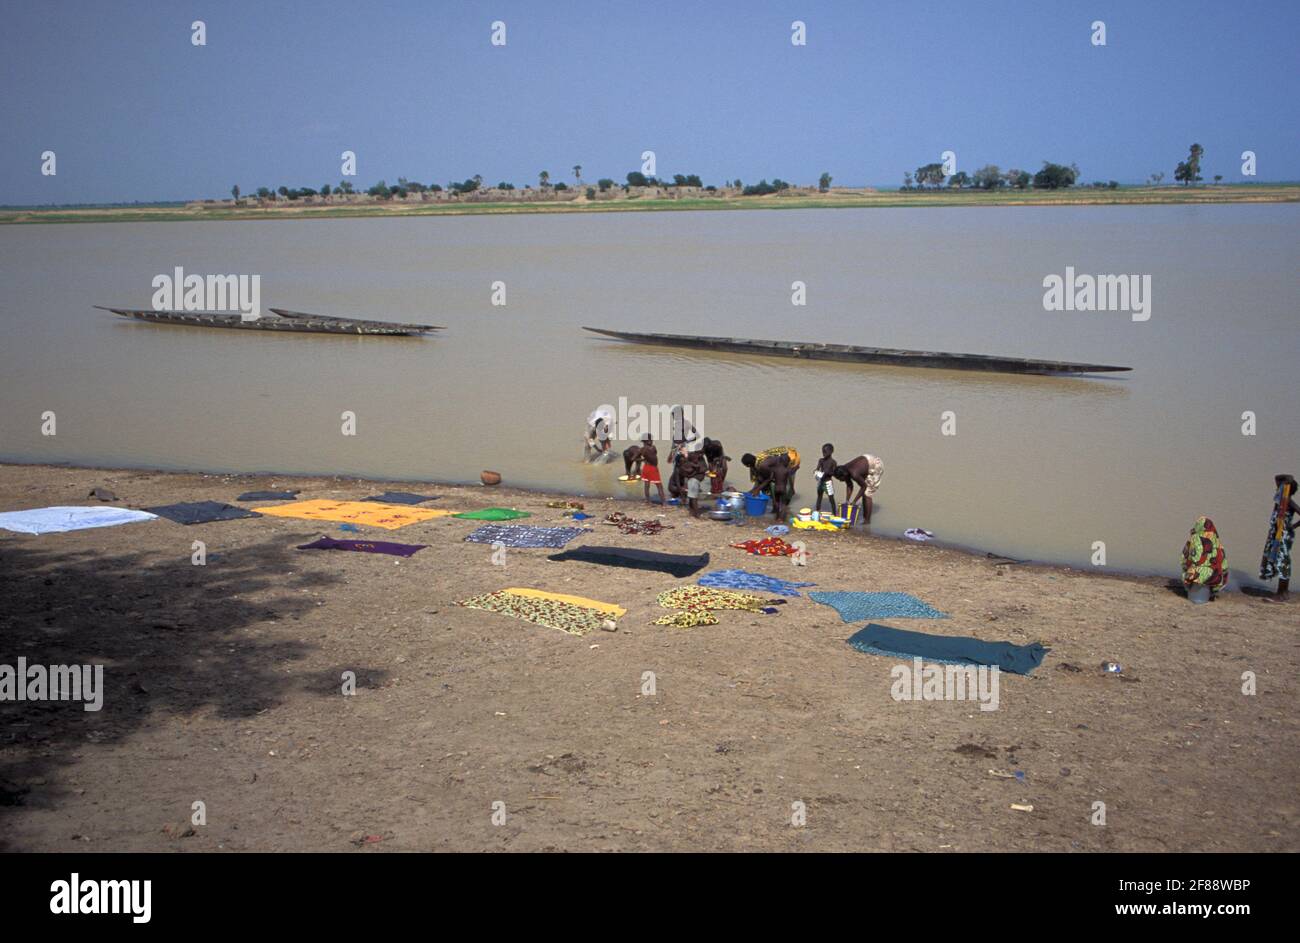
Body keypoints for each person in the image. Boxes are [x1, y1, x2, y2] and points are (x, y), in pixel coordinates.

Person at [1260, 473, 1298, 601]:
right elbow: (1276, 477)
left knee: (1283, 562)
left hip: (1284, 535)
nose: (1278, 488)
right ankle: (1281, 592)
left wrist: (1292, 526)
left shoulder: (1288, 502)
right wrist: (1287, 479)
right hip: (1277, 534)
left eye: (1282, 486)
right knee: (1277, 561)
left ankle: (1283, 593)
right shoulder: (1280, 501)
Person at [742, 446, 800, 520]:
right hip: (782, 464)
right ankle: (778, 513)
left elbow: (770, 478)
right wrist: (753, 490)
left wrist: (759, 488)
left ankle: (781, 511)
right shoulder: (758, 462)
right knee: (779, 499)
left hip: (793, 458)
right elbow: (760, 479)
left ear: (748, 465)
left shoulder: (764, 466)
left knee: (782, 496)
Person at [1182, 516, 1229, 598]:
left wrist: (1186, 570)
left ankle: (1191, 592)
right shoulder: (1217, 542)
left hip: (1194, 575)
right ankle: (1210, 593)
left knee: (1190, 571)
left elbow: (1184, 557)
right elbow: (1224, 563)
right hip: (1212, 576)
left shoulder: (1193, 538)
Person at [833, 452, 883, 523]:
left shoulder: (854, 474)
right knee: (864, 494)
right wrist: (847, 500)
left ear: (844, 475)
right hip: (866, 461)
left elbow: (864, 486)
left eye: (840, 479)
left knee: (867, 494)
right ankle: (865, 518)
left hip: (875, 465)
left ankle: (867, 521)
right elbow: (849, 485)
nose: (841, 481)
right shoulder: (844, 469)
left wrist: (854, 501)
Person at [679, 447, 709, 518]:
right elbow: (686, 469)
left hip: (696, 480)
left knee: (692, 496)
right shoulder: (692, 457)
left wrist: (703, 470)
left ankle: (692, 511)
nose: (701, 454)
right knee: (694, 497)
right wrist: (699, 470)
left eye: (703, 453)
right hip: (693, 480)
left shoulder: (701, 458)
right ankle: (696, 514)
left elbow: (704, 468)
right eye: (700, 453)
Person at [638, 434, 666, 505]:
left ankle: (648, 501)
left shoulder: (642, 449)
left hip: (646, 467)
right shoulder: (653, 448)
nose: (651, 441)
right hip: (653, 468)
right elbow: (654, 456)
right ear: (645, 441)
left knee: (647, 485)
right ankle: (664, 502)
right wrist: (644, 459)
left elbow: (633, 458)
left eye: (651, 440)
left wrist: (643, 459)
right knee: (659, 485)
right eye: (649, 440)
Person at [813, 443, 838, 514]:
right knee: (819, 497)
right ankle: (817, 512)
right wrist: (815, 472)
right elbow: (817, 469)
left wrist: (828, 473)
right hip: (820, 482)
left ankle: (834, 514)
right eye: (822, 451)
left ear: (831, 452)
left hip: (828, 482)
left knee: (831, 499)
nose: (823, 453)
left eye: (825, 452)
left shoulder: (833, 462)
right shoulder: (821, 460)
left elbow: (834, 473)